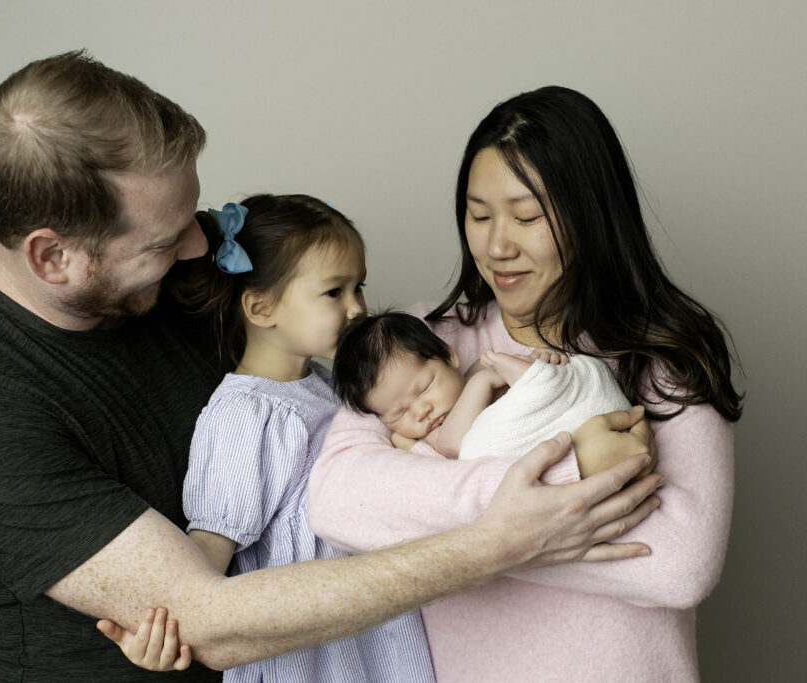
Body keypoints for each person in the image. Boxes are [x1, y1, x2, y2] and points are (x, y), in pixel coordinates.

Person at [0, 52, 661, 682]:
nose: (204, 249)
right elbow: (210, 618)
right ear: (53, 255)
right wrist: (498, 539)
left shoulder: (185, 281)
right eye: (165, 242)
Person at [306, 86, 742, 682]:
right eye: (478, 215)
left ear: (589, 213)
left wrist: (452, 536)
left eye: (526, 216)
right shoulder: (419, 343)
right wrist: (567, 478)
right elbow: (339, 499)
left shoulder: (665, 357)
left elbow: (679, 563)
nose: (495, 245)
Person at [118, 195, 436, 681]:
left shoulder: (331, 385)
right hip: (309, 656)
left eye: (359, 288)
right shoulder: (247, 414)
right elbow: (210, 543)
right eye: (334, 292)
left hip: (372, 627)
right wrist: (163, 625)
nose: (357, 309)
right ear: (261, 307)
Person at [331, 311, 630, 463]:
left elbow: (536, 383)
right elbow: (454, 445)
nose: (421, 411)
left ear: (450, 357)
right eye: (398, 414)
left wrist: (540, 361)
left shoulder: (482, 366)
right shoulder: (430, 437)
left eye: (424, 388)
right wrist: (483, 381)